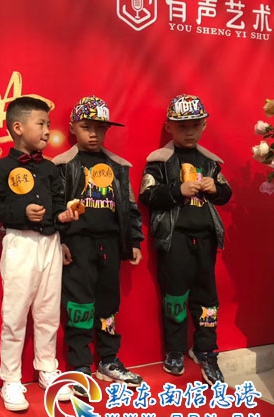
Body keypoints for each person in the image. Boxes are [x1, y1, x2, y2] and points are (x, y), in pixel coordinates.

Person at [0, 96, 78, 411]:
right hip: (20, 243)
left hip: (50, 243)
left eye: (48, 125)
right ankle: (11, 378)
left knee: (49, 311)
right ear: (18, 127)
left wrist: (62, 217)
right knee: (14, 314)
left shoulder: (50, 168)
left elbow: (57, 204)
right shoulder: (1, 167)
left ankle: (47, 368)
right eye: (41, 124)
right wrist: (23, 212)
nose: (47, 131)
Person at [52, 96, 144, 395]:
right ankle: (79, 365)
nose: (93, 134)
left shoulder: (118, 166)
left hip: (110, 244)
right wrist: (59, 241)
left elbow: (129, 206)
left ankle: (108, 359)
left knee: (108, 304)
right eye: (86, 127)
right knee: (78, 304)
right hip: (77, 244)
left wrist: (133, 241)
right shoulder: (62, 165)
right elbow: (55, 206)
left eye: (100, 128)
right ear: (72, 128)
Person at [139, 94, 232, 386]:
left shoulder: (211, 162)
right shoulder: (159, 160)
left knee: (208, 298)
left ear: (204, 125)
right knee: (175, 297)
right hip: (174, 239)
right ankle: (175, 350)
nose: (189, 131)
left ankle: (206, 350)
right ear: (169, 127)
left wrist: (216, 188)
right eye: (182, 126)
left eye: (195, 125)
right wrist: (177, 190)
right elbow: (146, 195)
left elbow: (227, 194)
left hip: (205, 239)